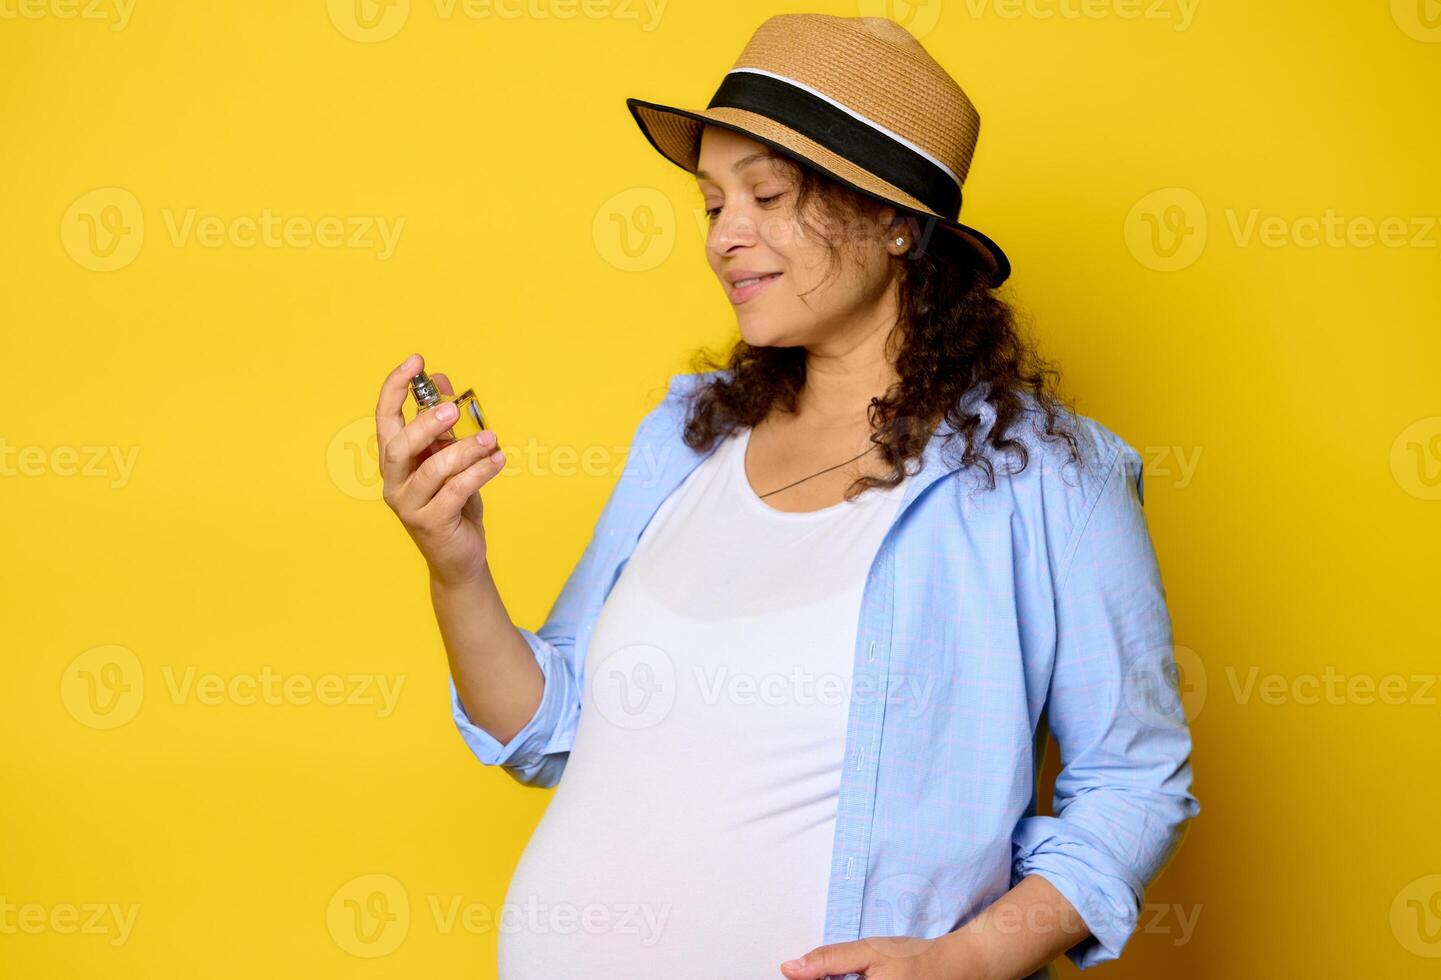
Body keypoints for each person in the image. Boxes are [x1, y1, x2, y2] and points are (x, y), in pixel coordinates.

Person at [375, 13, 1199, 980]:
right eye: (713, 203)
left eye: (766, 195)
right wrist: (457, 568)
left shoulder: (1049, 476)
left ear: (895, 221)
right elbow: (547, 731)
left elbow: (1135, 781)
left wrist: (969, 960)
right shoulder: (686, 437)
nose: (726, 237)